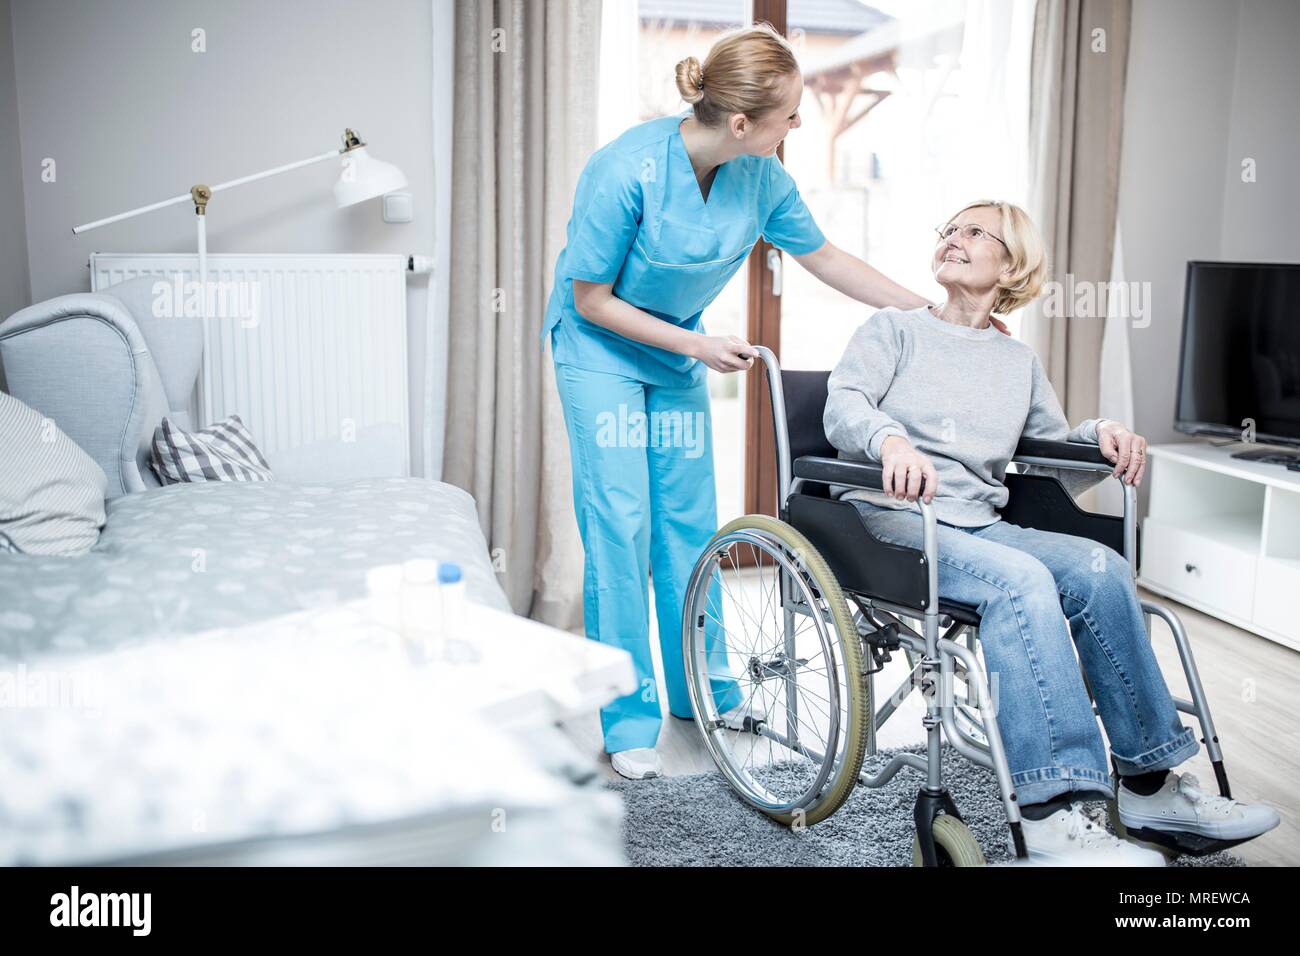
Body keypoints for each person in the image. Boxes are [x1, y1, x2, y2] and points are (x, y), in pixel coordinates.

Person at [824, 198, 1281, 864]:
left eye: (975, 232)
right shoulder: (893, 330)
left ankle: (1150, 785)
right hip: (890, 522)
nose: (954, 238)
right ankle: (1050, 814)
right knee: (1022, 582)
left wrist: (1100, 435)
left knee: (1101, 569)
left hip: (980, 523)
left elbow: (1046, 454)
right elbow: (846, 404)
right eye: (949, 229)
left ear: (1013, 264)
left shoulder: (1017, 362)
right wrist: (889, 440)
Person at [542, 23, 931, 779]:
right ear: (744, 121)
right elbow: (590, 299)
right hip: (600, 352)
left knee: (689, 522)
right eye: (790, 114)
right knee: (620, 524)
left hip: (677, 350)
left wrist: (927, 316)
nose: (799, 125)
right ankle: (628, 717)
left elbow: (826, 259)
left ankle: (705, 687)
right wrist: (697, 346)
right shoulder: (624, 169)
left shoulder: (764, 179)